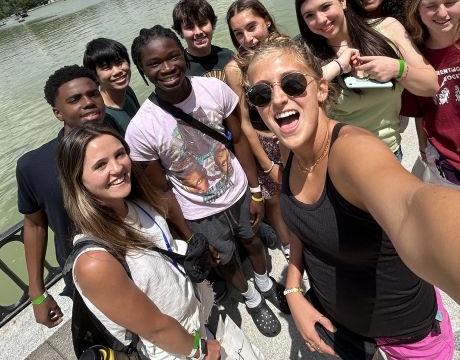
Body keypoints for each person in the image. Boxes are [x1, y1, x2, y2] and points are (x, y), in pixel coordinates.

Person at [238, 34, 458, 359]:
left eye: (294, 84)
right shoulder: (291, 147)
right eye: (262, 93)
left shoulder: (352, 152)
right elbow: (302, 227)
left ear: (321, 90)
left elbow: (412, 207)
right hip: (342, 325)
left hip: (406, 334)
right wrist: (294, 287)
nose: (279, 99)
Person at [126, 25, 289, 337]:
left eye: (173, 57)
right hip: (198, 210)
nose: (167, 67)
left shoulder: (213, 90)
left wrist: (255, 191)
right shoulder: (141, 128)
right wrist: (189, 237)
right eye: (154, 63)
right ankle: (252, 299)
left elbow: (238, 139)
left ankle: (266, 282)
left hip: (239, 189)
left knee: (253, 241)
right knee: (224, 260)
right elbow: (160, 189)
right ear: (142, 70)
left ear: (184, 57)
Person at [57, 124, 220, 360]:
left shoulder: (137, 204)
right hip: (174, 350)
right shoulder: (94, 262)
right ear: (78, 181)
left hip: (195, 321)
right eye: (100, 165)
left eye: (120, 154)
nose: (117, 167)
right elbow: (155, 329)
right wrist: (200, 349)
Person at [295, 0, 438, 157]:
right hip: (342, 157)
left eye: (325, 7)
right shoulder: (308, 56)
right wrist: (338, 65)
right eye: (310, 15)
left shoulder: (387, 28)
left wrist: (397, 68)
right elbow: (298, 95)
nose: (321, 19)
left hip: (389, 151)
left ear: (342, 0)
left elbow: (431, 85)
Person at [16, 65, 106, 328]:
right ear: (57, 112)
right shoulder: (34, 165)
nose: (88, 102)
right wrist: (37, 292)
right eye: (75, 99)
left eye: (93, 94)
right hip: (85, 272)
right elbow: (34, 224)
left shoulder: (121, 143)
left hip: (139, 257)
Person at [225, 0, 290, 259]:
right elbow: (243, 122)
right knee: (274, 199)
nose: (247, 38)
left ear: (267, 20)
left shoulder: (287, 50)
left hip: (295, 132)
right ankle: (289, 248)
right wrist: (268, 166)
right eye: (238, 33)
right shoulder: (235, 68)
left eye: (252, 27)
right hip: (266, 142)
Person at [402, 0, 460, 187]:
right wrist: (422, 144)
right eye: (431, 6)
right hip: (445, 162)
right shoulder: (415, 56)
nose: (442, 13)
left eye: (451, 2)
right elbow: (418, 109)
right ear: (417, 10)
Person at [83, 37, 140, 135]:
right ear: (95, 76)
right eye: (106, 68)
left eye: (119, 63)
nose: (117, 71)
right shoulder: (102, 116)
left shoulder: (128, 91)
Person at [172, 0, 233, 82]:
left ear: (212, 24)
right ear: (180, 33)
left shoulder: (229, 57)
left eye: (202, 24)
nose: (198, 32)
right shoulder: (179, 68)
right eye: (190, 27)